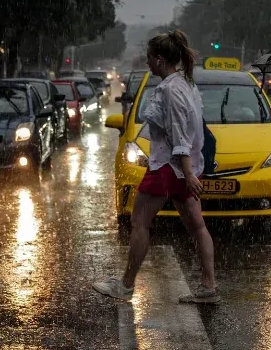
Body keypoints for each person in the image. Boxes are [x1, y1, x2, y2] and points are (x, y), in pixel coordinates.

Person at [91, 30, 219, 304]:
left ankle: (126, 285)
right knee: (197, 226)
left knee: (139, 222)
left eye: (149, 58)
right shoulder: (187, 84)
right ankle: (209, 286)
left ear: (159, 60)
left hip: (166, 168)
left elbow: (178, 135)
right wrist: (190, 172)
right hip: (185, 168)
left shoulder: (170, 90)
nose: (146, 63)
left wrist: (186, 173)